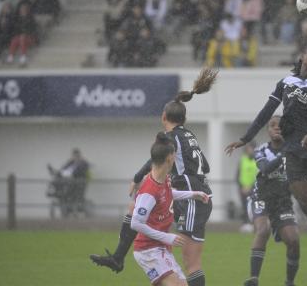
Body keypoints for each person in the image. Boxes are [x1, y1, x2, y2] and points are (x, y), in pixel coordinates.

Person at [91, 68, 217, 286]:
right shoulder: (189, 134)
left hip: (191, 199)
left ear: (164, 117)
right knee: (136, 207)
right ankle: (118, 257)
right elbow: (204, 165)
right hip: (193, 190)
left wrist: (137, 176)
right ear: (184, 119)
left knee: (192, 262)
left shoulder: (170, 137)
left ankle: (126, 257)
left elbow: (156, 158)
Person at [225, 45, 307, 270]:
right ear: (302, 57)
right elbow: (266, 112)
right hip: (292, 150)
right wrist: (245, 137)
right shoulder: (286, 83)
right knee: (306, 204)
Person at [131, 132, 210, 286]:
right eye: (175, 154)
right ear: (169, 158)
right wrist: (167, 237)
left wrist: (193, 194)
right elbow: (135, 223)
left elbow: (168, 193)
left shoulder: (163, 178)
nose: (175, 158)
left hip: (160, 248)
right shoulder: (149, 190)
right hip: (148, 250)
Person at [244, 116, 300, 286]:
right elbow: (266, 169)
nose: (276, 128)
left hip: (283, 202)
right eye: (272, 126)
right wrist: (285, 153)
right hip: (260, 198)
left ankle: (289, 282)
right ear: (268, 131)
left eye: (280, 126)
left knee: (293, 241)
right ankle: (254, 278)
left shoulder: (295, 152)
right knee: (263, 229)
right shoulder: (260, 150)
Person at [47, 148, 90, 217]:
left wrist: (69, 173)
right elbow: (63, 169)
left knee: (70, 181)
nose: (75, 157)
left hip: (78, 182)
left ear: (79, 155)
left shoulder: (84, 163)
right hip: (68, 181)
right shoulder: (70, 162)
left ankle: (69, 201)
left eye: (77, 156)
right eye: (74, 156)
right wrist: (58, 172)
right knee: (57, 179)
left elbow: (79, 172)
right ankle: (58, 193)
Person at [236, 141, 258, 232]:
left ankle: (254, 224)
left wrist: (251, 187)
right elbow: (238, 174)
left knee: (253, 207)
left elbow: (258, 175)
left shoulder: (257, 159)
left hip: (254, 188)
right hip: (243, 188)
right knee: (244, 206)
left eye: (250, 148)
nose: (248, 150)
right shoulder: (242, 159)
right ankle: (245, 223)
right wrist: (242, 187)